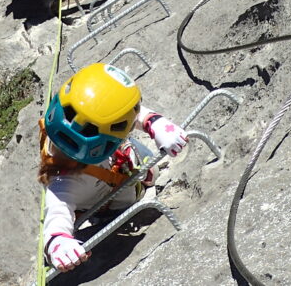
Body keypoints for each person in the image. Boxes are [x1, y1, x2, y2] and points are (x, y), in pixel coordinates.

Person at [38, 63, 188, 273]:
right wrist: (57, 241)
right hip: (112, 203)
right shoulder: (64, 184)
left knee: (146, 170)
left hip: (119, 171)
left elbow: (126, 116)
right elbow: (57, 213)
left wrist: (153, 122)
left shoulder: (72, 111)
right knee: (144, 177)